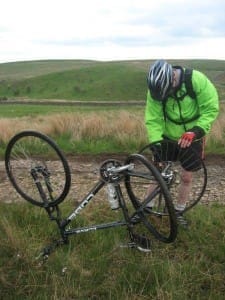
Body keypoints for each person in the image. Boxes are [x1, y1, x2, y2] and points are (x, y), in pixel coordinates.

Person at [145, 59, 219, 225]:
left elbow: (210, 108)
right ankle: (147, 209)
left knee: (186, 177)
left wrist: (196, 131)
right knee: (158, 173)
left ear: (173, 78)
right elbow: (153, 119)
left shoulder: (196, 80)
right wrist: (156, 144)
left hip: (192, 136)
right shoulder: (155, 90)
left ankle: (179, 211)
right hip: (167, 135)